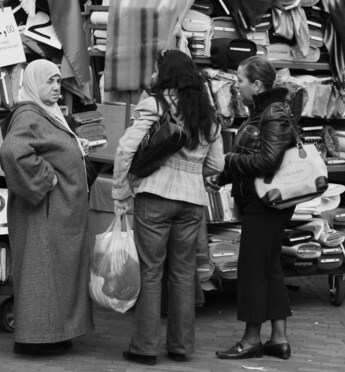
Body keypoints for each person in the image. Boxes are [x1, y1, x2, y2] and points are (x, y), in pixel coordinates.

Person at [112, 49, 225, 365]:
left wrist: (121, 192)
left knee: (151, 272)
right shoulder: (207, 112)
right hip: (192, 203)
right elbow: (216, 163)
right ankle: (180, 347)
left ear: (166, 74)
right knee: (183, 273)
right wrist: (190, 171)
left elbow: (125, 150)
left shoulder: (155, 104)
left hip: (155, 197)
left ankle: (145, 348)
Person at [0, 59, 94, 356]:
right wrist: (46, 178)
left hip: (56, 211)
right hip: (43, 211)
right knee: (42, 271)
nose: (56, 88)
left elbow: (48, 146)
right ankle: (35, 337)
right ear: (34, 83)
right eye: (49, 82)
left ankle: (53, 333)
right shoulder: (28, 114)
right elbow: (13, 152)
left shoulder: (46, 113)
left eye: (57, 81)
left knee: (56, 273)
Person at [213, 55, 296, 360]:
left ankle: (251, 340)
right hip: (262, 201)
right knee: (269, 267)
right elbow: (257, 155)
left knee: (251, 269)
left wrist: (227, 162)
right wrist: (223, 175)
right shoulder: (263, 111)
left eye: (240, 80)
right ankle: (279, 338)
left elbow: (266, 161)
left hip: (265, 202)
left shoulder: (272, 113)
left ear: (257, 84)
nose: (236, 85)